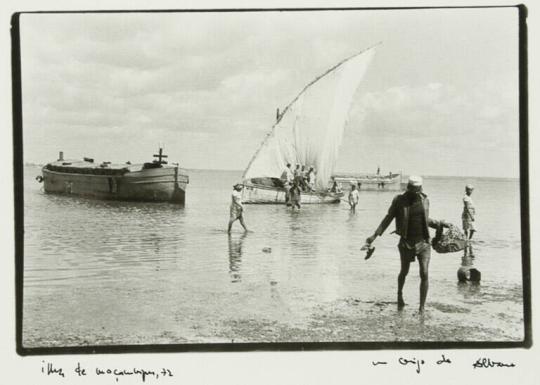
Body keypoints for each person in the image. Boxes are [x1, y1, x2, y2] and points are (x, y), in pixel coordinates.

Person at [365, 175, 448, 312]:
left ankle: (421, 307)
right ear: (409, 188)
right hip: (406, 242)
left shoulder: (425, 200)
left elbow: (425, 220)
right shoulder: (399, 201)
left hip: (424, 242)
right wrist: (374, 235)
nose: (416, 192)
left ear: (421, 188)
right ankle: (399, 295)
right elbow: (388, 218)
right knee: (404, 271)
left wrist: (439, 224)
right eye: (414, 190)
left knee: (425, 273)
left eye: (418, 189)